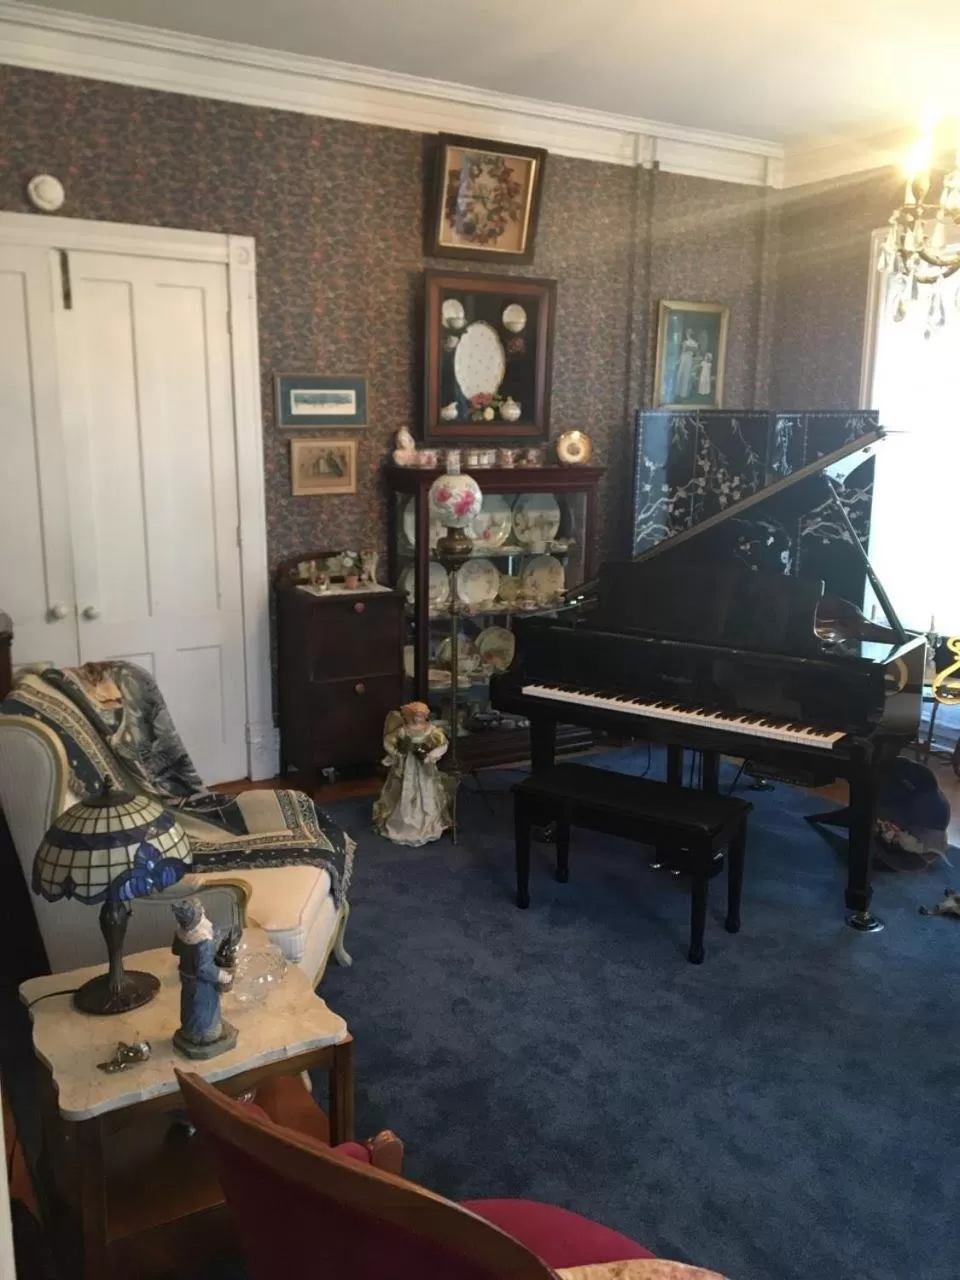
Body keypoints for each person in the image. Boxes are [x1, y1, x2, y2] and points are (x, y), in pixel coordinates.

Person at [373, 702, 455, 846]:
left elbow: (443, 744)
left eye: (421, 716)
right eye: (415, 716)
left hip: (424, 766)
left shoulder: (430, 730)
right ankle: (405, 823)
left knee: (427, 789)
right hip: (408, 765)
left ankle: (428, 822)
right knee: (405, 789)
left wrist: (431, 755)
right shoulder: (404, 730)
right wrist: (397, 753)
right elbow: (389, 741)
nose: (418, 719)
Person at [674, 329, 698, 400]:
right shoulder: (686, 342)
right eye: (687, 333)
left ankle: (683, 393)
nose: (688, 334)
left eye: (689, 333)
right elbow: (683, 351)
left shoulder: (693, 343)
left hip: (688, 358)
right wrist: (679, 360)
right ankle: (678, 392)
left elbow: (694, 351)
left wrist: (688, 348)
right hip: (684, 358)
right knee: (681, 374)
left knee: (686, 375)